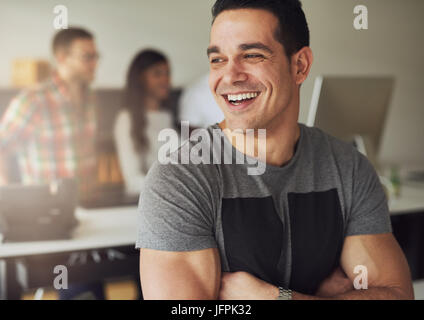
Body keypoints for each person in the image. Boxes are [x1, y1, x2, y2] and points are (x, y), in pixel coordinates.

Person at [136, 0, 414, 300]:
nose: (229, 77)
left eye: (252, 55)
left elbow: (397, 295)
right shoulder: (180, 178)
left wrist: (276, 297)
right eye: (217, 60)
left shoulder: (349, 168)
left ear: (300, 66)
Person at [0, 27, 104, 300]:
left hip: (90, 214)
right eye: (87, 56)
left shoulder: (90, 98)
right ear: (62, 57)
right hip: (47, 222)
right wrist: (9, 199)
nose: (95, 62)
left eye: (96, 56)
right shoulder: (33, 100)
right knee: (81, 291)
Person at [114, 49, 175, 196]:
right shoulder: (126, 119)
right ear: (140, 78)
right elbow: (133, 179)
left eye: (167, 73)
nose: (165, 80)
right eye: (157, 74)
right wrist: (173, 190)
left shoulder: (168, 116)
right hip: (146, 201)